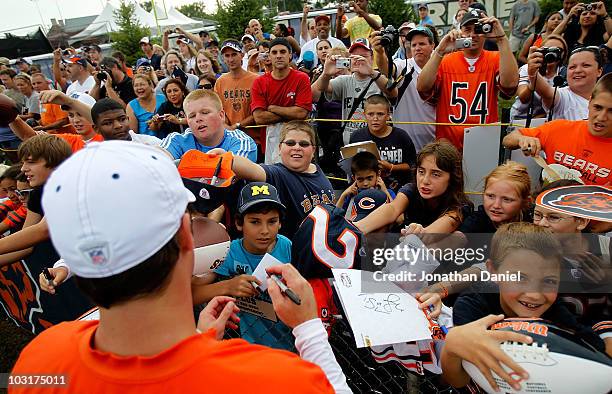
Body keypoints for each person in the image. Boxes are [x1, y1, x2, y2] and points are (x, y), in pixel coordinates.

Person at [10, 141, 351, 394]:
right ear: (187, 238)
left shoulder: (39, 361)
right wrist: (308, 330)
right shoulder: (277, 379)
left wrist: (201, 342)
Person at [444, 222, 604, 392]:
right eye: (520, 278)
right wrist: (451, 347)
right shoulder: (472, 305)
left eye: (549, 281)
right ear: (493, 271)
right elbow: (458, 380)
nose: (535, 294)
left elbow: (590, 345)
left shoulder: (554, 307)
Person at [191, 181, 295, 350]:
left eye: (272, 221)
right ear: (239, 223)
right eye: (255, 222)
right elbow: (193, 294)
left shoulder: (287, 248)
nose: (264, 230)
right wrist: (228, 286)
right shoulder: (229, 252)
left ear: (280, 223)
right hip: (247, 346)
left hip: (290, 344)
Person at [417, 10, 519, 150]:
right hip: (448, 144)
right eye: (467, 29)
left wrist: (501, 39)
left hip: (484, 142)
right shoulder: (446, 61)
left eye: (478, 29)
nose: (473, 35)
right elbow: (422, 86)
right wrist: (440, 50)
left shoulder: (495, 58)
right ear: (460, 31)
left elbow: (510, 85)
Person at [228, 120, 335, 237]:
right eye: (290, 143)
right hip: (293, 252)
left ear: (313, 150)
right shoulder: (278, 174)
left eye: (304, 144)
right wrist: (225, 158)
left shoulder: (317, 170)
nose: (297, 148)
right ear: (279, 148)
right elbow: (253, 170)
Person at [503, 72, 611, 186]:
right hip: (546, 202)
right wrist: (522, 139)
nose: (601, 117)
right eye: (598, 107)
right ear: (589, 103)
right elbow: (508, 140)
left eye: (611, 111)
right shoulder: (560, 128)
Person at [353, 140, 471, 234]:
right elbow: (393, 209)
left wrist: (417, 234)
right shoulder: (411, 189)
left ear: (452, 178)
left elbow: (429, 235)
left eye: (435, 174)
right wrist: (353, 228)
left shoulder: (460, 206)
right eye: (421, 172)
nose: (425, 181)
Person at [312, 37, 397, 144]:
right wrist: (326, 74)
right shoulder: (345, 80)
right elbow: (319, 89)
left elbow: (393, 93)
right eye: (354, 57)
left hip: (377, 144)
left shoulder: (380, 78)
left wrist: (371, 72)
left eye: (363, 56)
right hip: (349, 144)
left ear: (372, 58)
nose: (359, 60)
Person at [251, 38, 313, 164]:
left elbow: (301, 113)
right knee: (275, 180)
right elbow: (259, 118)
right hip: (270, 143)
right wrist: (290, 113)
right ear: (269, 56)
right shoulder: (259, 82)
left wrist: (273, 108)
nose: (278, 56)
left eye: (282, 52)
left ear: (290, 55)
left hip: (299, 141)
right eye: (274, 52)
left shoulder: (302, 78)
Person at [161, 90, 256, 161]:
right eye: (192, 116)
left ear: (221, 115)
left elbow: (236, 169)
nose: (198, 119)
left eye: (205, 113)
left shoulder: (241, 141)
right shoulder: (176, 140)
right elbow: (157, 161)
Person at [349, 94, 416, 189]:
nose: (375, 118)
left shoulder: (401, 136)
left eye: (380, 114)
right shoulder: (357, 137)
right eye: (370, 114)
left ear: (388, 115)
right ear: (364, 115)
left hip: (399, 190)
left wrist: (391, 167)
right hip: (366, 191)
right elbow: (352, 167)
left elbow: (412, 165)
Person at [524, 41, 602, 120]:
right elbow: (546, 92)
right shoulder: (562, 97)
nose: (578, 70)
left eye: (586, 65)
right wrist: (533, 73)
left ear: (599, 71)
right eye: (572, 67)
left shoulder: (607, 98)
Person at [391, 26, 437, 153]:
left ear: (432, 45)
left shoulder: (443, 64)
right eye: (414, 45)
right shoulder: (402, 65)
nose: (417, 48)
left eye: (422, 44)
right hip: (405, 143)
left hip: (436, 142)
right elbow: (387, 69)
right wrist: (380, 52)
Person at [459, 162, 532, 233]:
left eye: (506, 199)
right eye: (490, 196)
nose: (496, 205)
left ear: (525, 202)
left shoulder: (534, 221)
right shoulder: (477, 221)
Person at [512, 34, 568, 120]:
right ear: (540, 51)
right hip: (520, 117)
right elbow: (523, 98)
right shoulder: (527, 68)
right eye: (548, 50)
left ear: (564, 54)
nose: (552, 54)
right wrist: (534, 78)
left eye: (558, 50)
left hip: (548, 119)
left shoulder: (564, 73)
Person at [214, 40, 259, 133]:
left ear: (242, 55)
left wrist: (238, 125)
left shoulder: (256, 80)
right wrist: (226, 126)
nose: (230, 59)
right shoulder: (220, 82)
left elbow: (259, 111)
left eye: (234, 54)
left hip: (254, 137)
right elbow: (218, 109)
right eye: (227, 55)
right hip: (230, 137)